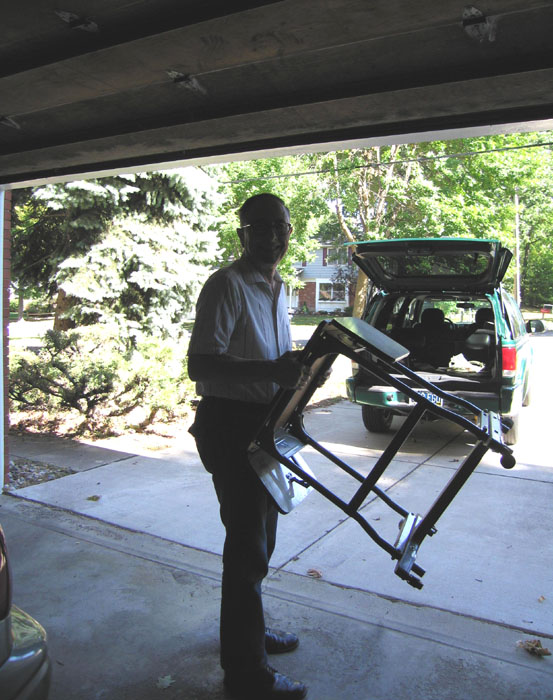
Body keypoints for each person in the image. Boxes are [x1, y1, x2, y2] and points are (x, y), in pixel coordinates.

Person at [187, 193, 310, 699]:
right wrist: (271, 371)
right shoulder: (226, 285)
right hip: (230, 428)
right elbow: (201, 366)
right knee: (246, 552)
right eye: (260, 227)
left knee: (263, 542)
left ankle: (249, 636)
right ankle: (246, 673)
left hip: (263, 426)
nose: (272, 236)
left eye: (280, 226)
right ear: (243, 234)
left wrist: (294, 381)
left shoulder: (278, 286)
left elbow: (269, 358)